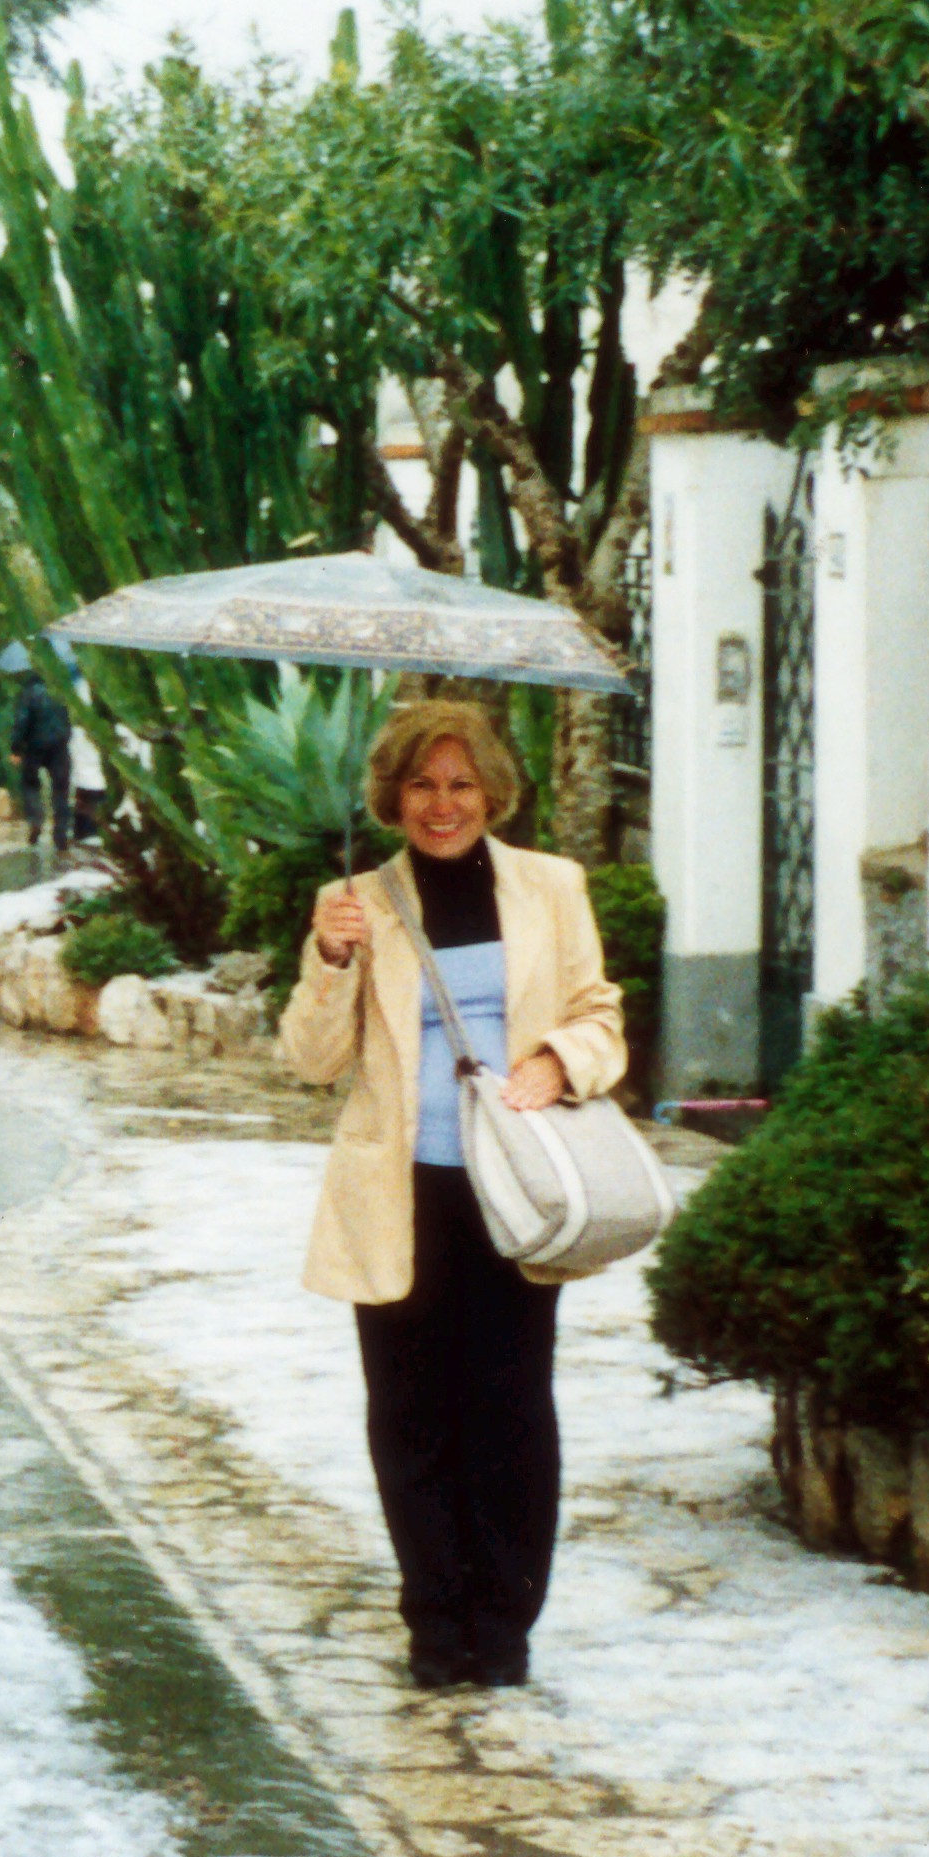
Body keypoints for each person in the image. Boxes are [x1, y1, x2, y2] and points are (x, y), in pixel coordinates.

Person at [276, 699, 626, 1691]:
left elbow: (600, 1013)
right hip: (402, 1193)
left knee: (513, 1408)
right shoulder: (359, 900)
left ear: (492, 791)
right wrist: (331, 957)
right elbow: (309, 1061)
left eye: (462, 783)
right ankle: (436, 1621)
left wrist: (560, 1061)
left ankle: (504, 1623)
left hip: (516, 1190)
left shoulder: (551, 886)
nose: (443, 804)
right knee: (408, 1416)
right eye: (422, 784)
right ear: (392, 795)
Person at [7, 676, 74, 852]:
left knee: (30, 784)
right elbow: (70, 720)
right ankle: (60, 834)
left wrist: (15, 749)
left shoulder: (28, 694)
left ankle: (36, 821)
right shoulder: (62, 692)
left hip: (34, 746)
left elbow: (22, 721)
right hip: (59, 746)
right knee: (61, 789)